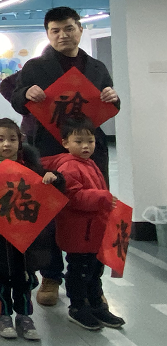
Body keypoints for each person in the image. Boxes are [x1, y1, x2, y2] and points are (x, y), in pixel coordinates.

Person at [10, 7, 120, 306]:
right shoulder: (35, 66)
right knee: (50, 214)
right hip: (49, 149)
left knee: (90, 211)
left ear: (80, 29)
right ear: (48, 34)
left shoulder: (96, 67)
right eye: (55, 30)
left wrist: (114, 98)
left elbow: (108, 103)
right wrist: (25, 94)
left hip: (88, 151)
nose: (63, 35)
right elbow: (17, 99)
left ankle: (90, 280)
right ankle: (51, 275)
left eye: (69, 28)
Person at [0, 118, 64, 341]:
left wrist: (53, 178)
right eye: (1, 139)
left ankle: (25, 316)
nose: (6, 144)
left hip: (25, 240)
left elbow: (54, 188)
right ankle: (3, 316)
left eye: (12, 139)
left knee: (25, 279)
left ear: (20, 141)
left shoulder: (31, 168)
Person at [41, 116, 125, 331]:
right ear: (65, 143)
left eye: (90, 141)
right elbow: (74, 197)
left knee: (95, 271)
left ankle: (97, 305)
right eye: (78, 142)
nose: (86, 146)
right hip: (79, 233)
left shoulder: (90, 163)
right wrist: (102, 197)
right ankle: (78, 307)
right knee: (79, 271)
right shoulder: (69, 167)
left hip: (94, 230)